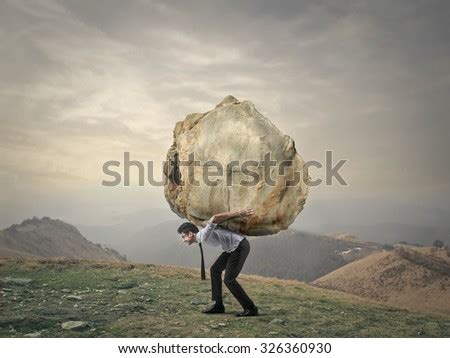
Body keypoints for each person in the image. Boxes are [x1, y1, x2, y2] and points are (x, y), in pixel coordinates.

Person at [177, 208, 258, 317]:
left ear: (190, 233)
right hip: (231, 248)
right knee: (215, 270)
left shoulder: (202, 235)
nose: (183, 240)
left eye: (183, 236)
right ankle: (218, 305)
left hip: (239, 246)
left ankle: (250, 308)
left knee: (229, 280)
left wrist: (239, 213)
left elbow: (215, 218)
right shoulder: (201, 235)